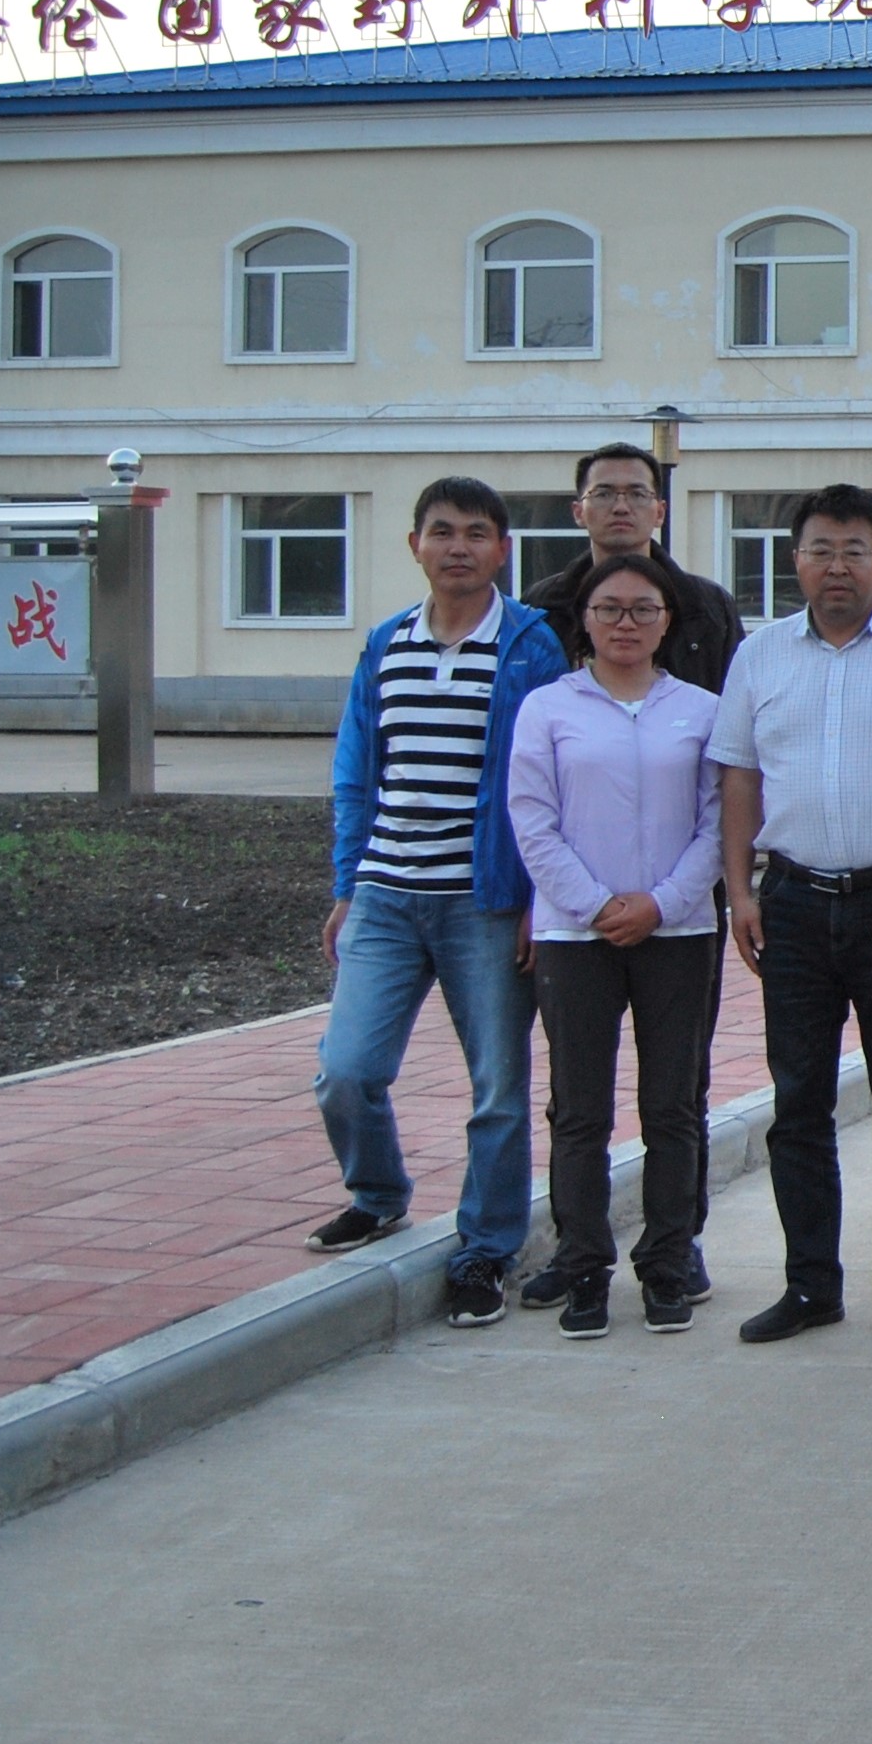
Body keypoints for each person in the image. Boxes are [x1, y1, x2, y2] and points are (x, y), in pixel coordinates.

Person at [710, 484, 872, 1349]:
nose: (837, 567)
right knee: (799, 1105)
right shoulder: (760, 657)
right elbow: (739, 775)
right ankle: (809, 1286)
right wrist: (740, 891)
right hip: (791, 905)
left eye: (854, 550)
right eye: (821, 549)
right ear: (796, 560)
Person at [306, 475, 567, 1330]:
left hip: (483, 902)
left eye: (477, 533)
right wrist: (348, 885)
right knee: (346, 1072)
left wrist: (536, 899)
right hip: (386, 894)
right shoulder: (387, 643)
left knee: (497, 1088)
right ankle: (379, 1194)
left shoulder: (531, 646)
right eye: (443, 531)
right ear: (414, 544)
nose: (459, 547)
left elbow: (549, 781)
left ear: (502, 550)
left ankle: (487, 1249)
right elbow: (356, 772)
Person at [516, 438, 745, 1310]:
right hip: (574, 928)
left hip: (679, 921)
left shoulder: (705, 669)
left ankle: (671, 1257)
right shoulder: (545, 679)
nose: (625, 622)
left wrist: (667, 900)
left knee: (674, 1101)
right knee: (577, 1106)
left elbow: (723, 805)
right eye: (609, 609)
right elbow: (531, 814)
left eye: (643, 609)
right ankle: (582, 1260)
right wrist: (589, 903)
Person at [521, 441, 746, 693]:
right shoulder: (543, 605)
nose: (621, 508)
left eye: (637, 495)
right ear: (578, 512)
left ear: (660, 512)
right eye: (603, 494)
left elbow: (737, 699)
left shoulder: (708, 606)